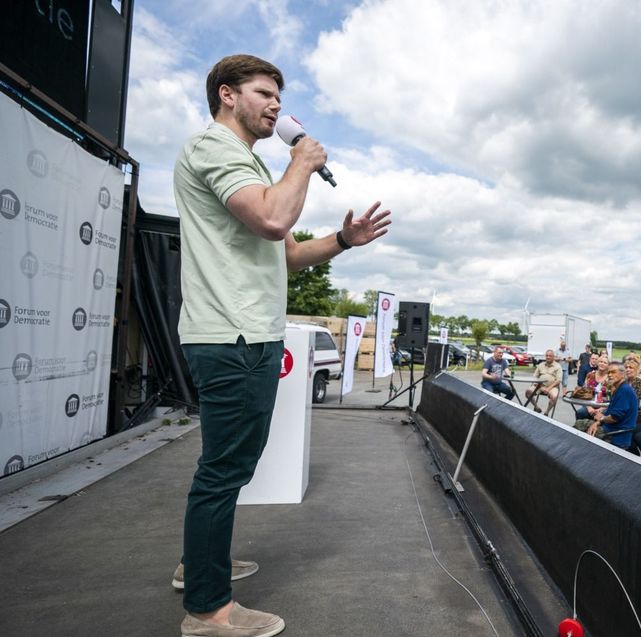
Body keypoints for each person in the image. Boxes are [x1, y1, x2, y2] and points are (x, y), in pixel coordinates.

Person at [173, 54, 391, 637]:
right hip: (233, 335)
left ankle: (202, 566)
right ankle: (208, 609)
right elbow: (273, 221)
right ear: (227, 95)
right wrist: (299, 162)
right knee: (224, 470)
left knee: (228, 465)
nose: (276, 105)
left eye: (279, 96)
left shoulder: (246, 166)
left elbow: (288, 252)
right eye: (265, 93)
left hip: (247, 334)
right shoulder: (215, 148)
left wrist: (344, 239)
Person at [584, 362, 638, 450]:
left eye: (613, 372)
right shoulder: (619, 388)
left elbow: (614, 418)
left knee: (581, 433)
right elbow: (608, 414)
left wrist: (601, 419)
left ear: (622, 374)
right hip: (610, 429)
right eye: (608, 372)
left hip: (616, 436)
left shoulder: (625, 390)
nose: (609, 375)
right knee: (580, 424)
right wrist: (597, 422)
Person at [526, 349, 562, 415]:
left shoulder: (558, 366)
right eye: (547, 355)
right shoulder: (541, 365)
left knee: (554, 397)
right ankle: (536, 407)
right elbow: (535, 376)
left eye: (550, 356)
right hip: (540, 386)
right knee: (528, 392)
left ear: (553, 357)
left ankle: (547, 412)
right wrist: (535, 383)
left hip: (552, 387)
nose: (548, 357)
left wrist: (548, 389)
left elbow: (558, 380)